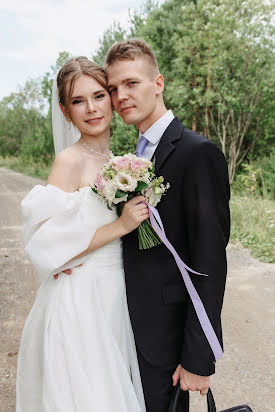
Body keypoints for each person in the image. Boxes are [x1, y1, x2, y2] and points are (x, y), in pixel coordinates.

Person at [105, 39, 231, 412]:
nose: (120, 96)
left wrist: (197, 358)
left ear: (157, 83)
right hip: (125, 327)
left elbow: (209, 260)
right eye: (113, 89)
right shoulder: (127, 159)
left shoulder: (197, 153)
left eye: (131, 83)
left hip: (167, 336)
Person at [16, 56, 147, 412]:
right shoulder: (69, 161)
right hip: (82, 300)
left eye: (98, 95)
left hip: (116, 295)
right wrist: (119, 226)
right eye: (78, 101)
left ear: (111, 97)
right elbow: (46, 245)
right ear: (65, 110)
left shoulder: (122, 161)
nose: (91, 108)